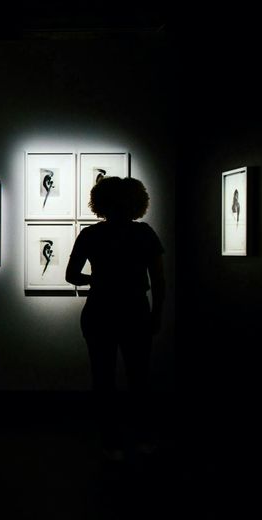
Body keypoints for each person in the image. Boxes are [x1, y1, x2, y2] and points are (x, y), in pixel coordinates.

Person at [65, 176, 165, 462]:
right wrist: (157, 314)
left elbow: (71, 275)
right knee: (138, 378)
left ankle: (111, 441)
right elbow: (158, 281)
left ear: (101, 203)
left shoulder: (91, 235)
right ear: (137, 202)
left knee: (104, 378)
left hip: (100, 309)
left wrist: (98, 278)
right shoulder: (144, 234)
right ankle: (142, 437)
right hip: (134, 309)